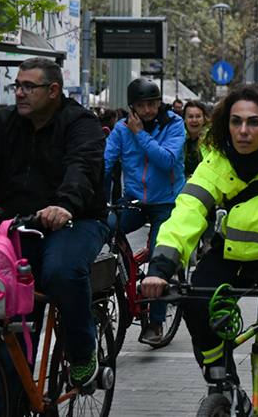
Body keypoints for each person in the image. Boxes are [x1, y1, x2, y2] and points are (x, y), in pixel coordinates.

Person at [140, 84, 258, 417]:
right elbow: (187, 211)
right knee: (196, 305)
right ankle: (222, 382)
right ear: (225, 124)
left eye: (254, 122)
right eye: (236, 121)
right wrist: (160, 268)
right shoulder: (217, 161)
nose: (243, 131)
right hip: (230, 256)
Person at [0, 57, 109, 388]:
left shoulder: (80, 123)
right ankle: (10, 399)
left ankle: (82, 350)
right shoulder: (5, 121)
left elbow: (82, 167)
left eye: (29, 86)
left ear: (53, 90)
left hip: (75, 220)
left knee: (62, 272)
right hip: (14, 226)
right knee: (3, 303)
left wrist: (64, 205)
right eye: (17, 85)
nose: (19, 93)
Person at [104, 77, 185, 344]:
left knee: (159, 255)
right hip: (135, 199)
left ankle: (156, 322)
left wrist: (140, 134)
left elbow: (167, 160)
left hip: (167, 202)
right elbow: (105, 163)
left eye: (152, 103)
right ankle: (127, 277)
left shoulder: (174, 124)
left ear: (159, 102)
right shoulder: (121, 128)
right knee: (107, 227)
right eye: (141, 105)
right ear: (132, 107)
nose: (147, 109)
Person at [183, 100, 208, 178]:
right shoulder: (178, 138)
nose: (194, 120)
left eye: (198, 116)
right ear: (184, 119)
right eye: (190, 117)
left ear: (204, 119)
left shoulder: (211, 140)